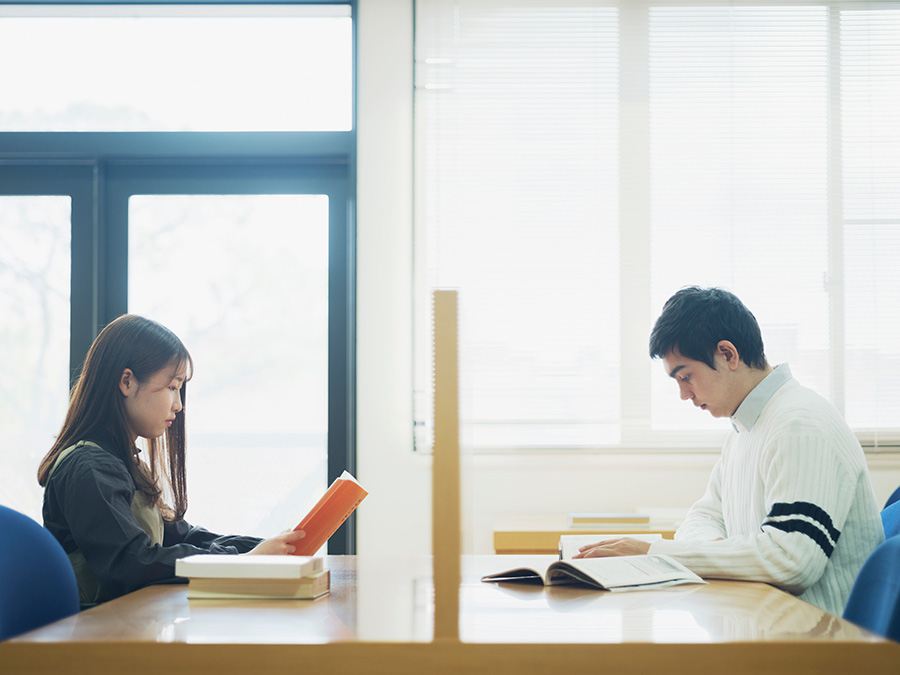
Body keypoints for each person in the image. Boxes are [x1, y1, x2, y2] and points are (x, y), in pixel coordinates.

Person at [575, 287, 883, 615]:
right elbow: (704, 516)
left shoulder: (800, 424)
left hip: (822, 647)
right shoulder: (744, 430)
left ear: (727, 355)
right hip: (767, 623)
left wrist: (656, 552)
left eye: (686, 376)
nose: (683, 395)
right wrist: (722, 553)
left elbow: (792, 560)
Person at [38, 314, 306, 606]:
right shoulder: (89, 467)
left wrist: (261, 549)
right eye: (172, 387)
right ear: (127, 382)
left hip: (127, 623)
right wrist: (241, 561)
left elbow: (181, 535)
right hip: (95, 636)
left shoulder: (120, 461)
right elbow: (131, 563)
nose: (178, 405)